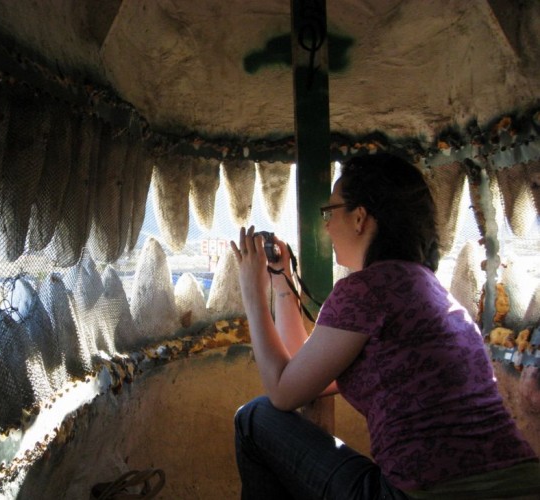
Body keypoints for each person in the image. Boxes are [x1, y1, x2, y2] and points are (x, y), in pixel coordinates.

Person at [230, 153, 540, 499]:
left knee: (253, 419)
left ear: (360, 217)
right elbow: (304, 374)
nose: (327, 226)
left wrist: (252, 293)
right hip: (522, 484)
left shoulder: (365, 290)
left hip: (424, 494)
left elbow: (283, 393)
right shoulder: (423, 286)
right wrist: (281, 281)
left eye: (330, 212)